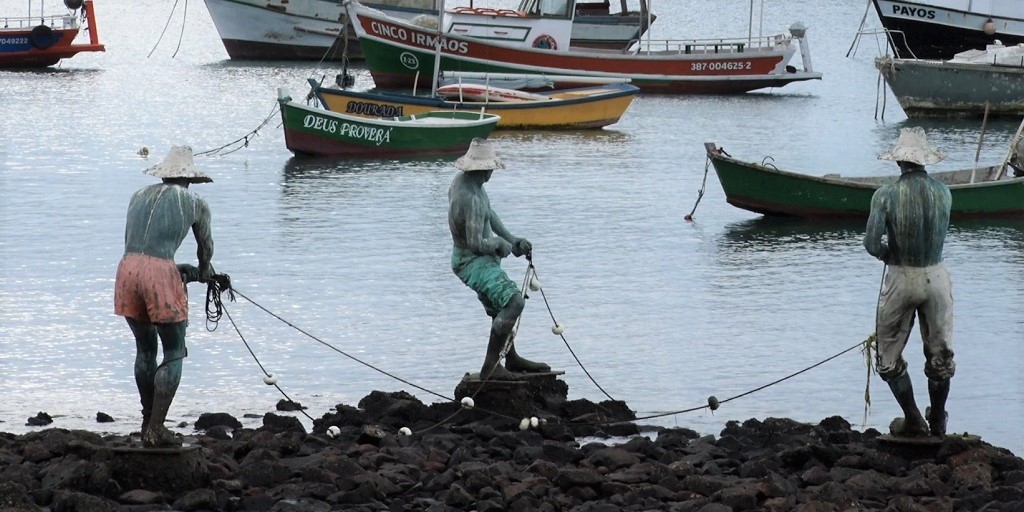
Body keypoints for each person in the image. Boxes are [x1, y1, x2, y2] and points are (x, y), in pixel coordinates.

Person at [114, 146, 215, 447]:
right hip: (158, 274)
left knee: (145, 350)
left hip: (127, 269)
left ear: (164, 174)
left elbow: (143, 246)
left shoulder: (138, 196)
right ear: (190, 179)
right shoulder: (195, 202)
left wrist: (174, 267)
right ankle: (157, 427)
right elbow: (205, 248)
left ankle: (147, 422)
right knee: (173, 350)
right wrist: (205, 270)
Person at [863, 127, 954, 438]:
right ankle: (939, 419)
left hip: (902, 275)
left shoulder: (885, 195)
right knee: (940, 353)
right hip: (937, 277)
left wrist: (890, 254)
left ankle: (914, 419)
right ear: (925, 161)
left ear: (899, 162)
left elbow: (872, 244)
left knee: (887, 356)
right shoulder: (945, 192)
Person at [448, 139, 550, 380]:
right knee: (514, 302)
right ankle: (491, 367)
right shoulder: (470, 197)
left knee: (499, 306)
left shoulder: (469, 186)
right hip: (470, 262)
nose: (492, 172)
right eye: (491, 168)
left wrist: (512, 240)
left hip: (475, 258)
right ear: (484, 169)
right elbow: (475, 243)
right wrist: (497, 244)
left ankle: (510, 357)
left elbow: (489, 215)